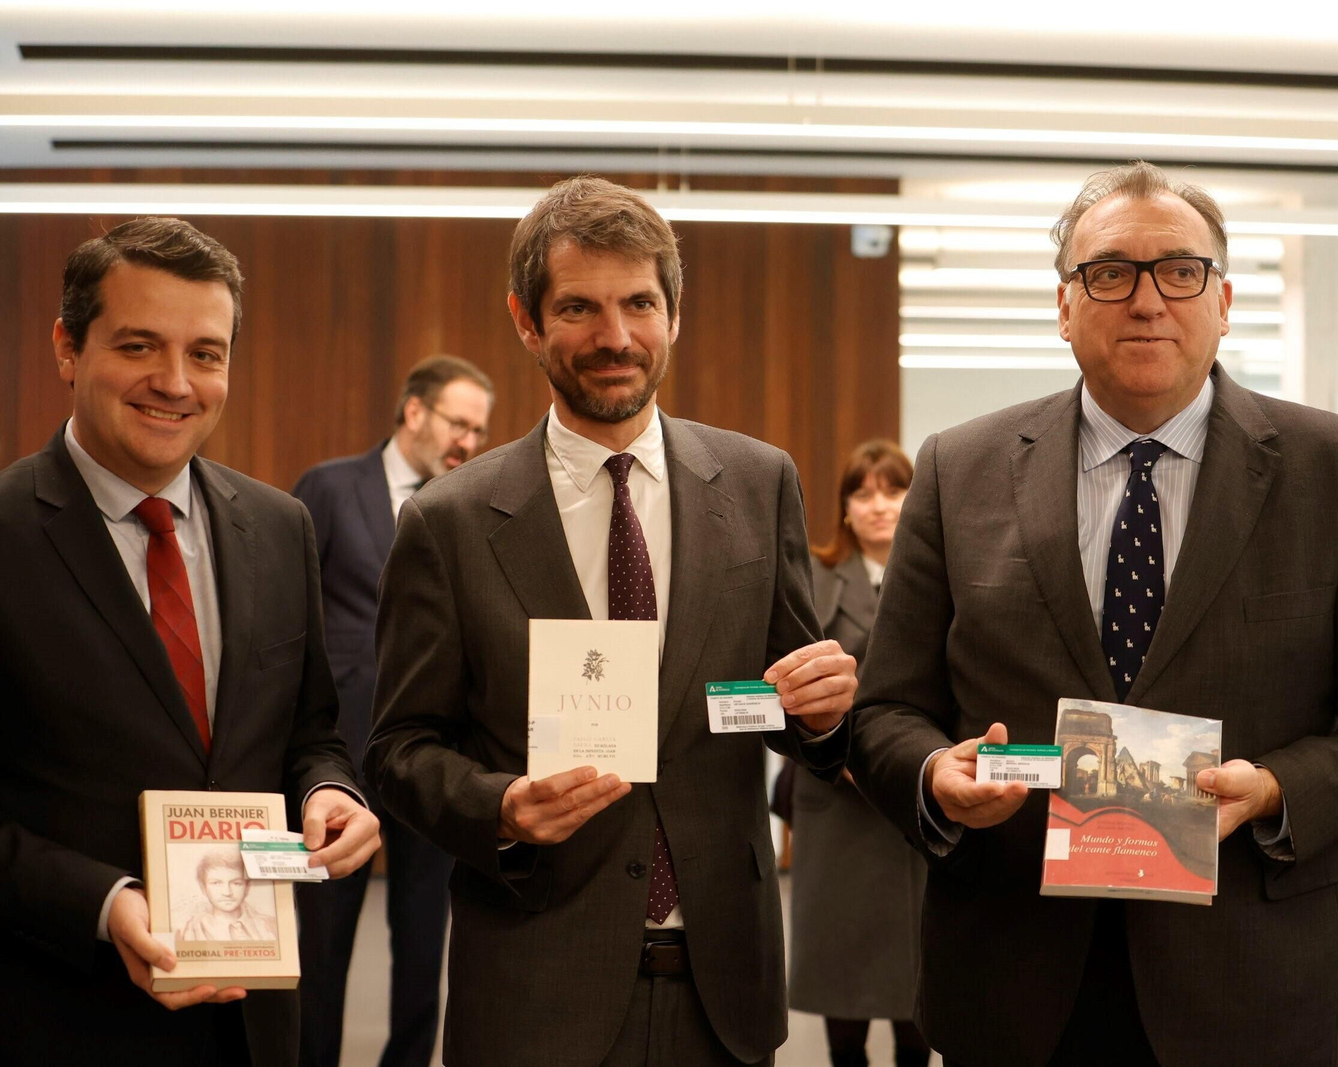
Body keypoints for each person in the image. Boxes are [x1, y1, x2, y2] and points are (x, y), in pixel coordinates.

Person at [847, 162, 1338, 1067]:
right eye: (1110, 273)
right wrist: (932, 773)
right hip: (1014, 979)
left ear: (1226, 299)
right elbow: (886, 708)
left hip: (1255, 977)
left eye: (1181, 271)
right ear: (1065, 306)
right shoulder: (958, 469)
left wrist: (1279, 788)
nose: (1148, 299)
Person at [0, 217, 380, 1067]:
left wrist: (330, 790)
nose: (176, 382)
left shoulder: (280, 528)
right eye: (140, 346)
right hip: (53, 1020)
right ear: (67, 346)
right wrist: (102, 900)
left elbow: (309, 731)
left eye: (206, 353)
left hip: (254, 1025)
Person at [366, 175, 859, 1067]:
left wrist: (825, 715)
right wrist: (502, 806)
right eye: (580, 308)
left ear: (675, 312)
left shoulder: (758, 484)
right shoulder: (449, 521)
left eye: (639, 303)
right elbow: (400, 746)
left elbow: (786, 700)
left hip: (726, 989)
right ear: (527, 320)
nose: (616, 337)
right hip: (533, 984)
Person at [291, 354, 494, 1067]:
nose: (469, 441)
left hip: (437, 753)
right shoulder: (329, 486)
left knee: (422, 936)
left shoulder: (470, 503)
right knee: (321, 938)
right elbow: (291, 612)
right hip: (338, 756)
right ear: (414, 412)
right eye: (459, 423)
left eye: (479, 429)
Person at [788, 440, 931, 1067]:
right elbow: (786, 685)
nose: (879, 506)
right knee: (842, 982)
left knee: (918, 988)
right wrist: (836, 751)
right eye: (863, 492)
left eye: (894, 490)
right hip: (835, 797)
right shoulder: (813, 578)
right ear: (844, 508)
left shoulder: (936, 572)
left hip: (912, 802)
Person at [178, 850, 280, 943]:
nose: (227, 892)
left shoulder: (272, 925)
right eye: (216, 883)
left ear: (247, 887)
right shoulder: (190, 929)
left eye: (236, 883)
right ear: (203, 888)